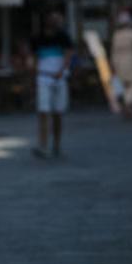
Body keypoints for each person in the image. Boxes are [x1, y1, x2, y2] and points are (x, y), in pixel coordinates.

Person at [31, 11, 74, 157]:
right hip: (43, 78)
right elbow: (34, 56)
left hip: (59, 78)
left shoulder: (63, 36)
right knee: (43, 112)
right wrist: (35, 70)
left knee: (57, 113)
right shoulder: (38, 37)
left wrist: (62, 70)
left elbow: (69, 54)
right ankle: (43, 145)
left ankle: (56, 145)